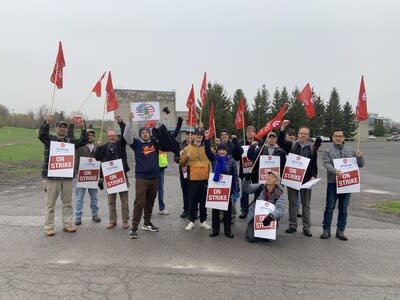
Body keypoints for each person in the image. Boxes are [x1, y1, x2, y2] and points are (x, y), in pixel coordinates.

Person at [38, 113, 87, 236]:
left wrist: (82, 127)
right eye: (60, 127)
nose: (63, 129)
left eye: (64, 127)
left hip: (66, 177)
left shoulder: (70, 141)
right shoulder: (50, 140)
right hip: (52, 177)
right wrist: (46, 122)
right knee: (50, 204)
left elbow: (83, 141)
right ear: (56, 128)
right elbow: (41, 135)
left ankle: (68, 224)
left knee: (67, 203)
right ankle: (49, 226)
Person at [321, 129, 365, 241]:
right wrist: (334, 171)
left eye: (340, 136)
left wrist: (359, 157)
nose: (338, 138)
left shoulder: (351, 150)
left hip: (347, 184)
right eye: (336, 136)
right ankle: (326, 230)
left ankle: (340, 230)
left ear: (343, 138)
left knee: (343, 208)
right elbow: (326, 163)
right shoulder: (327, 150)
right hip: (333, 183)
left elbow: (360, 165)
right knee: (329, 207)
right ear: (332, 137)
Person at [277, 120, 318, 237]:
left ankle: (306, 227)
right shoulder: (292, 145)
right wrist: (282, 127)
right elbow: (280, 142)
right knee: (293, 203)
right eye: (301, 133)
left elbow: (314, 165)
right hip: (293, 179)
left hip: (306, 181)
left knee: (306, 204)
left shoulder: (312, 149)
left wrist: (314, 176)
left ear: (308, 135)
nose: (303, 135)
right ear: (298, 135)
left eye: (305, 134)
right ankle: (292, 225)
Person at [95, 115, 130, 229]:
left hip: (121, 174)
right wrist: (99, 147)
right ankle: (112, 220)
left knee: (124, 200)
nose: (111, 137)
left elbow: (125, 132)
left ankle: (125, 220)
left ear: (116, 136)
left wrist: (120, 122)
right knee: (111, 201)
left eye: (113, 135)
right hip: (110, 177)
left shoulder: (121, 143)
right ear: (107, 137)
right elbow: (98, 158)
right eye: (110, 136)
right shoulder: (104, 147)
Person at [204, 131, 240, 238]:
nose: (222, 151)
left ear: (226, 150)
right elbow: (207, 151)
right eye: (220, 149)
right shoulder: (214, 159)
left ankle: (227, 230)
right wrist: (206, 140)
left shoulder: (231, 161)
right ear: (217, 150)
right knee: (215, 210)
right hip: (216, 188)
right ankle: (215, 230)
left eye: (223, 150)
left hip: (227, 189)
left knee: (227, 211)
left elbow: (235, 176)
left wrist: (236, 190)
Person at [180, 127, 212, 231]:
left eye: (201, 135)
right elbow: (181, 163)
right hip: (192, 179)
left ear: (203, 136)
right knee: (192, 201)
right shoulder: (187, 148)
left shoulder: (207, 148)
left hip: (204, 179)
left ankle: (203, 221)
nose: (199, 136)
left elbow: (214, 157)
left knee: (203, 202)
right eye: (197, 134)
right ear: (193, 136)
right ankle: (191, 221)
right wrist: (186, 157)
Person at [242, 170, 285, 242]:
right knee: (251, 238)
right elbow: (246, 189)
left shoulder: (279, 194)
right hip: (255, 217)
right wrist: (246, 180)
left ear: (276, 182)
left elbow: (281, 210)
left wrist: (271, 216)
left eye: (272, 177)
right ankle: (254, 229)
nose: (268, 178)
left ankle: (263, 232)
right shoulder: (260, 187)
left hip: (269, 219)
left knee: (267, 239)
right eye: (268, 176)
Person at [74, 128, 101, 225]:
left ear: (94, 137)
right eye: (88, 135)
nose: (90, 137)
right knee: (79, 197)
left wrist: (100, 147)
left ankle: (95, 214)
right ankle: (78, 216)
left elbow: (100, 160)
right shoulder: (79, 145)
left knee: (94, 197)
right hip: (81, 175)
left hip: (93, 177)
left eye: (92, 135)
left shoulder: (97, 146)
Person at [233, 125, 259, 219]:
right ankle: (244, 210)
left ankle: (257, 209)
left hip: (256, 171)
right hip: (244, 171)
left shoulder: (259, 142)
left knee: (257, 190)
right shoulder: (241, 142)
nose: (250, 132)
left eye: (252, 131)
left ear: (255, 133)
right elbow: (236, 156)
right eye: (248, 131)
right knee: (244, 192)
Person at [176, 130, 193, 218]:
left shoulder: (196, 146)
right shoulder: (180, 146)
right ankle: (186, 210)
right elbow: (176, 158)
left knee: (193, 192)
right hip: (184, 172)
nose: (189, 137)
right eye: (188, 136)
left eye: (191, 136)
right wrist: (181, 157)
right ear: (185, 137)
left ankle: (193, 211)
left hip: (194, 172)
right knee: (185, 192)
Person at [157, 150, 169, 215]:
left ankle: (161, 208)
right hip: (151, 164)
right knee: (150, 188)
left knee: (160, 188)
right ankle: (148, 208)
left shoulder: (163, 140)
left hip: (161, 165)